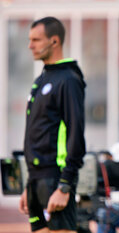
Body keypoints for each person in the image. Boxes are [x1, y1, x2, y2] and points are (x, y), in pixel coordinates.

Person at [18, 16, 86, 233]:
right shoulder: (42, 79)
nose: (30, 46)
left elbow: (75, 133)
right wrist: (30, 184)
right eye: (30, 40)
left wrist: (65, 185)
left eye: (36, 40)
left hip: (56, 179)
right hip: (37, 179)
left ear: (54, 41)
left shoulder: (68, 80)